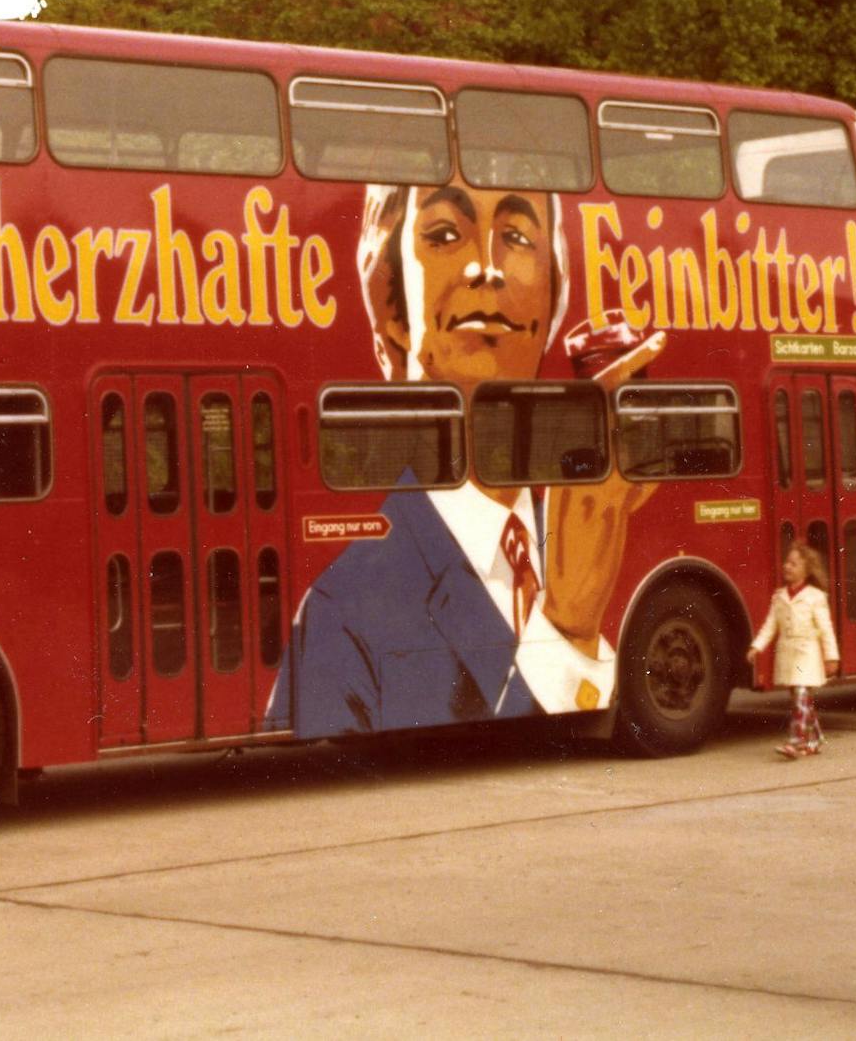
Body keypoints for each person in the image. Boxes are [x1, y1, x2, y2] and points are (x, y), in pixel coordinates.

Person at [266, 175, 655, 736]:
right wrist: (568, 632)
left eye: (517, 237)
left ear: (550, 305)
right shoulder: (338, 616)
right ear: (394, 314)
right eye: (445, 234)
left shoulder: (581, 527)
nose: (487, 268)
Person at [746, 541, 840, 759]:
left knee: (800, 697)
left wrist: (831, 657)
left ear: (806, 570)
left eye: (794, 564)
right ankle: (814, 739)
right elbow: (770, 625)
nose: (787, 567)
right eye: (787, 562)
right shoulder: (779, 596)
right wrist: (756, 646)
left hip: (807, 654)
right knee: (801, 700)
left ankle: (796, 742)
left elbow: (826, 629)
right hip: (788, 655)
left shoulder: (815, 597)